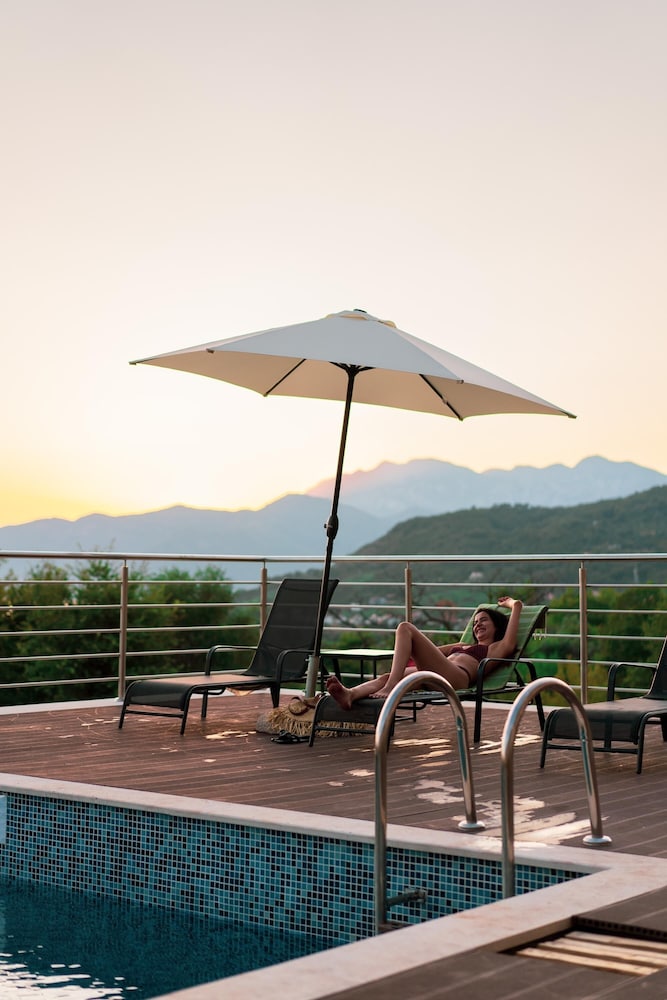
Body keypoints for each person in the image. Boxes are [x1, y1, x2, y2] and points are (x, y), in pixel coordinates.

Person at [325, 596, 523, 710]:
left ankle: (392, 685)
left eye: (484, 620)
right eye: (475, 622)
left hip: (456, 678)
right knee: (386, 676)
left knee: (405, 628)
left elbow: (510, 641)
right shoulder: (463, 644)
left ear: (497, 626)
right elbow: (426, 652)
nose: (477, 625)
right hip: (436, 673)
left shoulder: (494, 648)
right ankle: (350, 695)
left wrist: (515, 604)